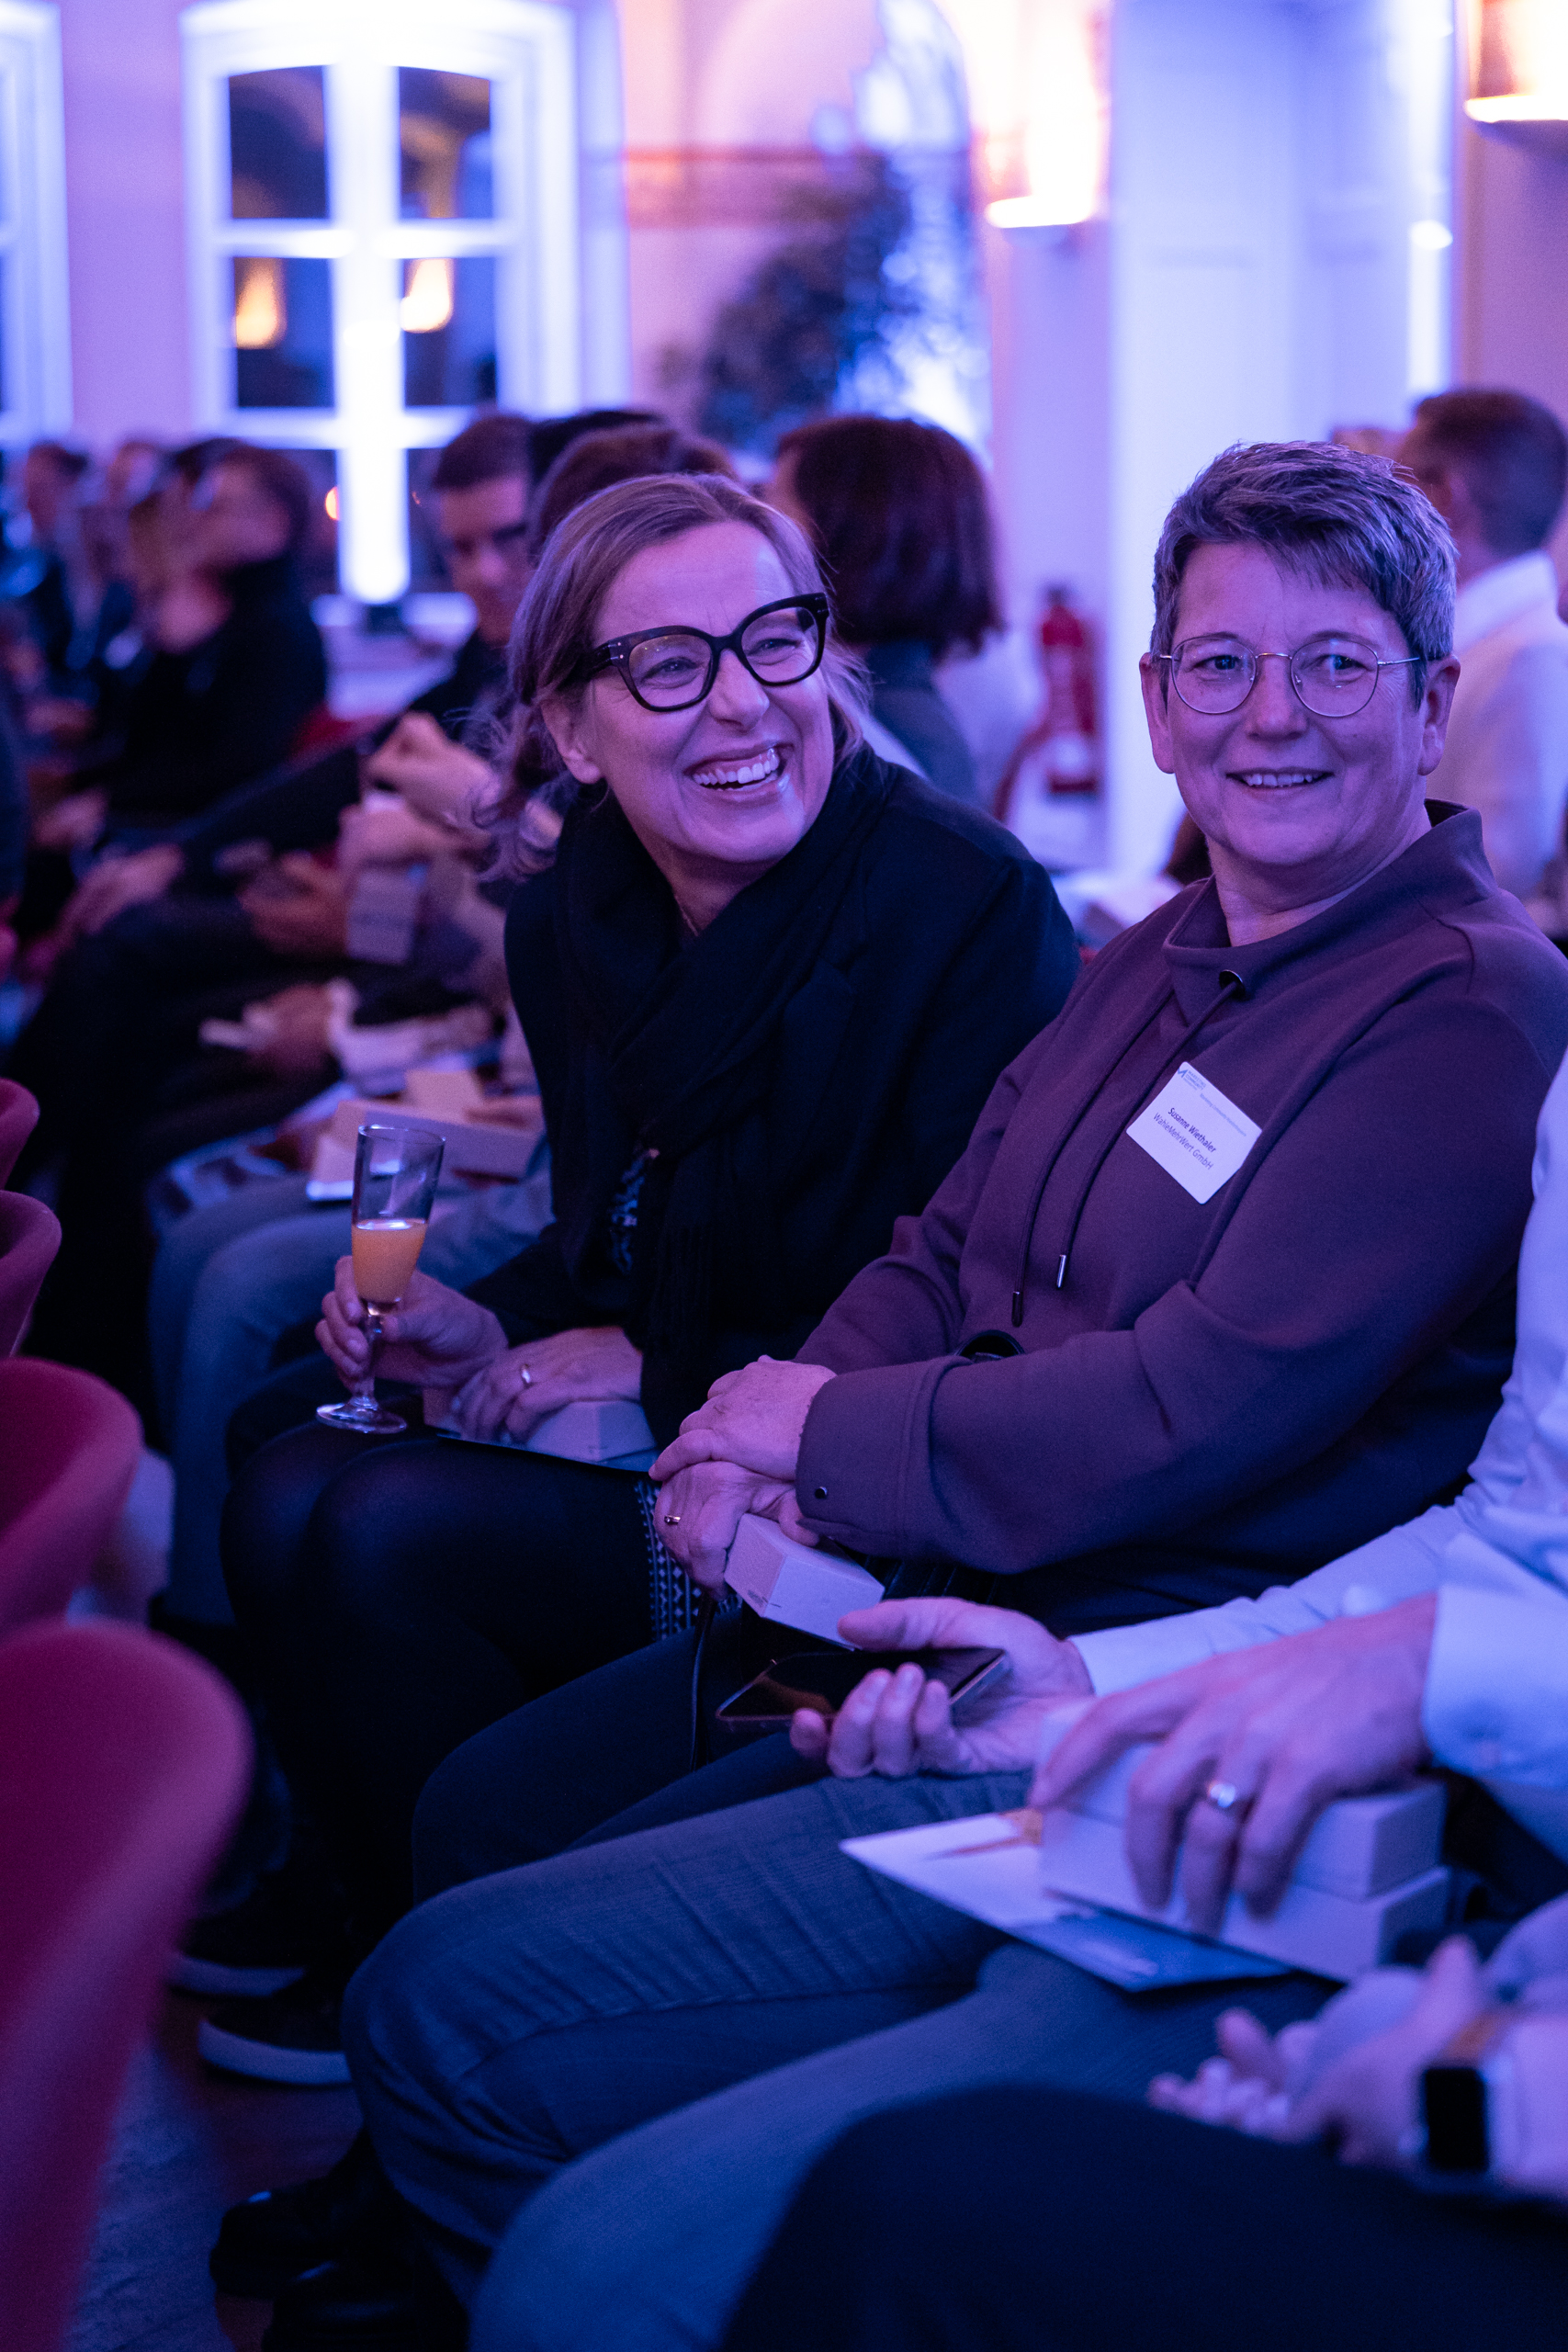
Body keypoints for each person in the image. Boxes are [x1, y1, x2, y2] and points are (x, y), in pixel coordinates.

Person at [293, 439, 1568, 2352]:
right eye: (1220, 665)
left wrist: (819, 1442)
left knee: (467, 1981)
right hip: (943, 1605)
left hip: (1129, 1638)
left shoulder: (1465, 1002)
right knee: (480, 1826)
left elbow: (1196, 1402)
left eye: (1333, 663)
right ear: (1153, 706)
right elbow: (943, 1236)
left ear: (1429, 697)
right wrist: (770, 1418)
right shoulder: (1159, 953)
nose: (1269, 715)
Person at [206, 469, 1075, 2096]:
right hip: (680, 1379)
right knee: (281, 1448)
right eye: (668, 665)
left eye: (772, 639)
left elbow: (961, 1310)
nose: (740, 704)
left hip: (828, 1484)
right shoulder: (579, 910)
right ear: (568, 723)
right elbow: (611, 1227)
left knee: (376, 1522)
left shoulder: (961, 909)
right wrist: (496, 1323)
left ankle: (448, 2039)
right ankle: (373, 1942)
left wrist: (652, 1363)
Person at [768, 414, 1001, 802]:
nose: (755, 531)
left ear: (858, 536)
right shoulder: (908, 719)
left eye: (774, 505)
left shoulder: (870, 735)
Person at [1399, 389, 1568, 909]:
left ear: (1443, 497)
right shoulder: (1475, 640)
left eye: (1396, 487)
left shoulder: (1534, 655)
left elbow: (1500, 873)